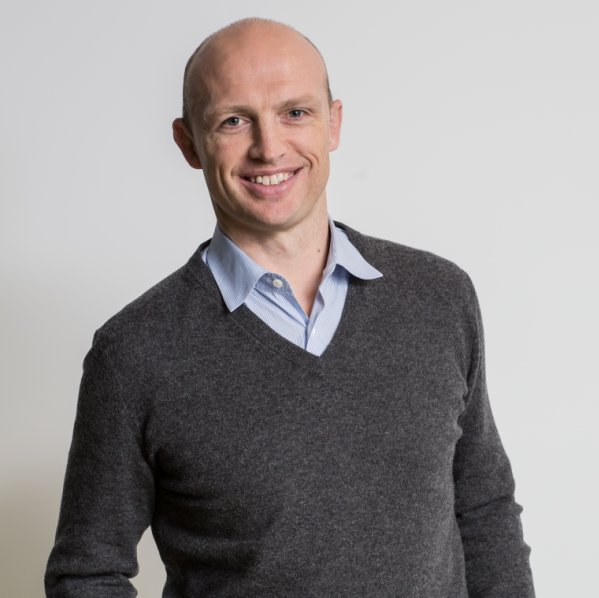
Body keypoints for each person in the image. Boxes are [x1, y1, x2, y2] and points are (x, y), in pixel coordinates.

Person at [45, 17, 535, 598]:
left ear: (334, 123)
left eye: (295, 112)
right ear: (188, 143)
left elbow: (483, 509)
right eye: (233, 120)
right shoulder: (134, 352)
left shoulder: (439, 297)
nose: (269, 147)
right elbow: (87, 573)